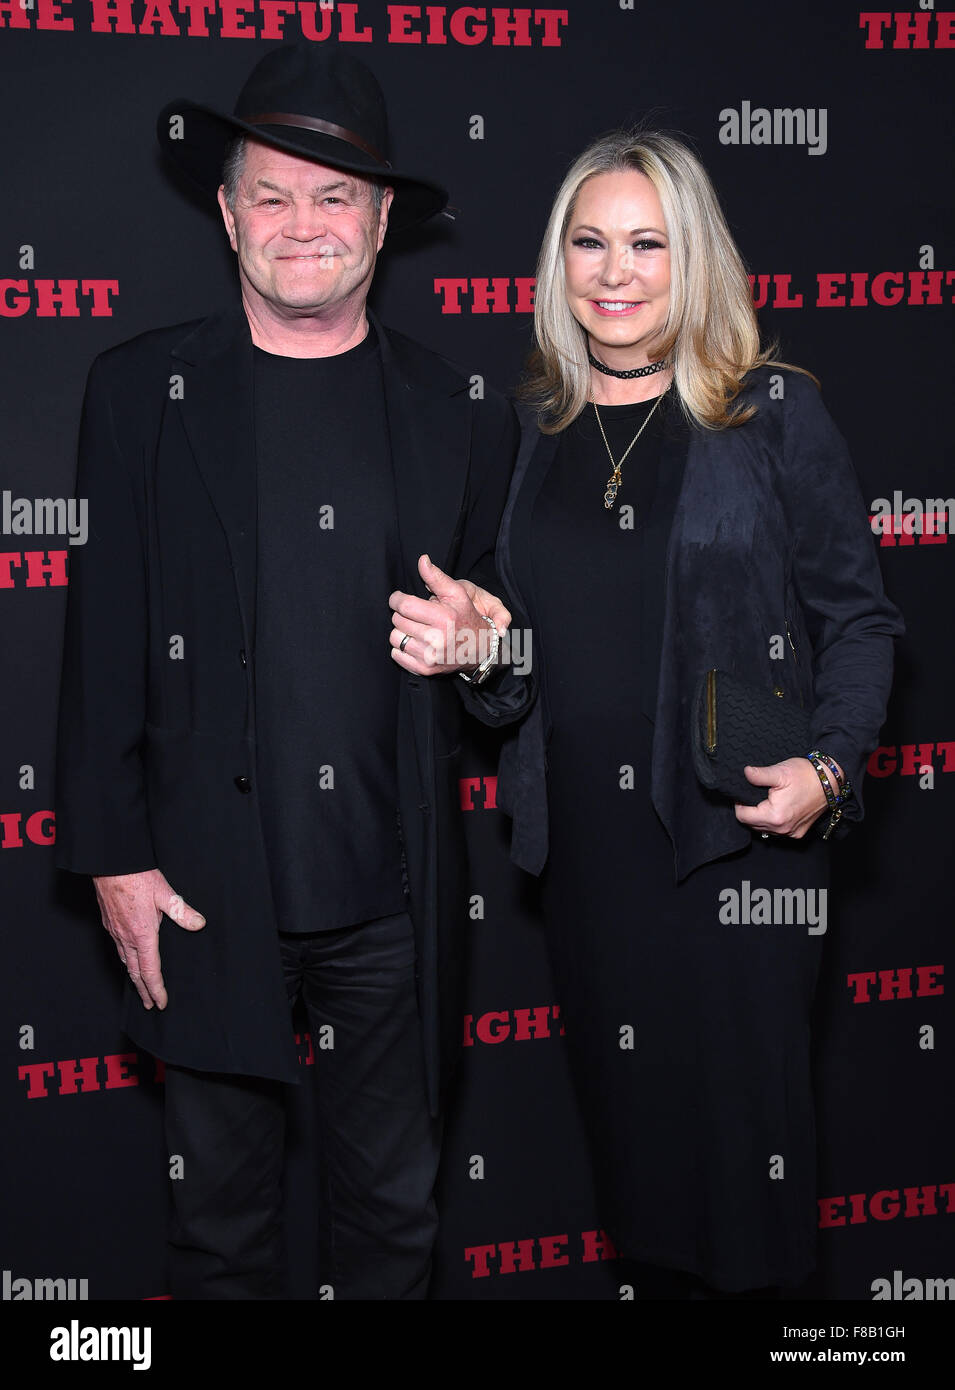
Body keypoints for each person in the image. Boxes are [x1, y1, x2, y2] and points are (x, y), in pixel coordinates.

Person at [54, 44, 529, 1300]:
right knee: (216, 1230)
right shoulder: (138, 393)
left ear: (381, 221)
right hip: (205, 892)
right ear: (225, 211)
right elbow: (102, 640)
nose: (301, 224)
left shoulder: (455, 408)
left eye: (334, 197)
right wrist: (113, 857)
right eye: (271, 193)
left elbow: (508, 648)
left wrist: (490, 647)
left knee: (393, 1224)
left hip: (395, 899)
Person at [493, 129, 904, 1298]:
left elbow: (859, 618)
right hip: (588, 863)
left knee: (748, 1181)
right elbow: (517, 661)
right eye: (589, 242)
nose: (614, 273)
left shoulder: (768, 411)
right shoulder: (530, 433)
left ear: (696, 262)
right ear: (556, 263)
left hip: (737, 850)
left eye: (647, 244)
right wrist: (480, 655)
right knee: (641, 1179)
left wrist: (828, 768)